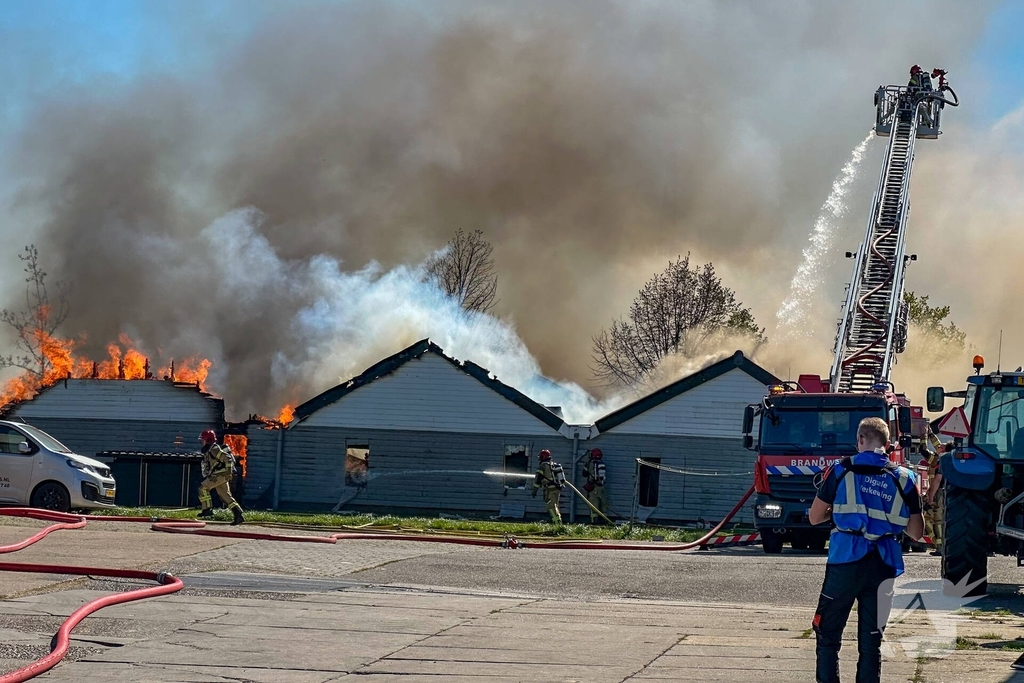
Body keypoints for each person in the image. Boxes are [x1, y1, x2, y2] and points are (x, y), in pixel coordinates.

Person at [809, 417, 924, 683]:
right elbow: (917, 532)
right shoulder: (905, 478)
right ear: (888, 443)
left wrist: (840, 513)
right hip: (883, 564)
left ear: (861, 439)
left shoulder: (840, 470)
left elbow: (814, 517)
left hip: (845, 560)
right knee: (872, 641)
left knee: (828, 635)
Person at [197, 429, 245, 525]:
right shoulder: (210, 450)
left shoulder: (214, 449)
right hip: (220, 475)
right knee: (225, 496)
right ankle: (238, 515)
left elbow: (227, 459)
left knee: (203, 488)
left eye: (203, 440)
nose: (202, 442)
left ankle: (207, 509)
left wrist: (228, 472)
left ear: (209, 440)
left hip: (219, 475)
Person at [922, 430, 947, 556]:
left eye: (941, 446)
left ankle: (940, 547)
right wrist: (928, 434)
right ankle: (937, 544)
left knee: (937, 521)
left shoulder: (939, 461)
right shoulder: (938, 459)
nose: (939, 446)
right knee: (928, 519)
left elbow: (937, 480)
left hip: (937, 493)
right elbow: (924, 450)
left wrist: (931, 497)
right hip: (935, 492)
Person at [532, 449, 564, 524]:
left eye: (540, 457)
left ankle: (556, 522)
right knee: (555, 506)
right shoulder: (553, 464)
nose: (539, 459)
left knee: (550, 506)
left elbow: (538, 479)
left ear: (543, 457)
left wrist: (534, 490)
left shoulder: (543, 466)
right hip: (557, 489)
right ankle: (557, 521)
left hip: (550, 489)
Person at [582, 448, 608, 523]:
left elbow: (584, 474)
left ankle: (595, 521)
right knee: (603, 505)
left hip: (594, 487)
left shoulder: (591, 463)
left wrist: (585, 464)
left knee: (594, 505)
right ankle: (604, 521)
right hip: (602, 487)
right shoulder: (602, 463)